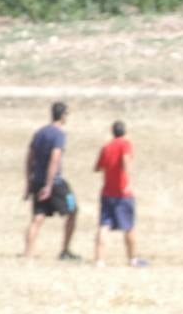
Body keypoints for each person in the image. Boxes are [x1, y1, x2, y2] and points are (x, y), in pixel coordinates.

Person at [23, 101, 80, 261]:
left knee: (38, 216)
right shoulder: (59, 135)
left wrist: (29, 182)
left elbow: (29, 159)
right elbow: (55, 159)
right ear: (62, 116)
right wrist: (49, 185)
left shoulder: (40, 133)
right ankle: (65, 250)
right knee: (73, 210)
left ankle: (28, 252)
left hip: (37, 180)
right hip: (54, 183)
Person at [92, 120, 146, 267]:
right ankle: (132, 259)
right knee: (128, 226)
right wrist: (128, 182)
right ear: (125, 132)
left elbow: (97, 167)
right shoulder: (125, 144)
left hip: (107, 191)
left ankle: (100, 260)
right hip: (123, 193)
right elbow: (125, 160)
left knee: (104, 225)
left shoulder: (106, 147)